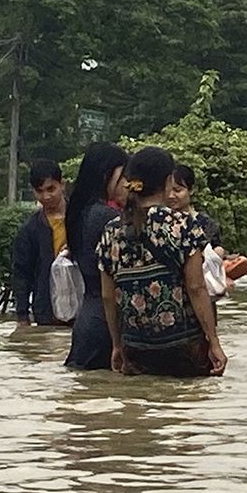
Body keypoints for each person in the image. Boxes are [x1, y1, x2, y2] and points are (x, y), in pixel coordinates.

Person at [98, 146, 227, 377]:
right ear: (168, 181)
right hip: (184, 347)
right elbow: (196, 287)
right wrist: (214, 342)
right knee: (184, 400)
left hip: (135, 348)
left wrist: (117, 345)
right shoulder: (183, 225)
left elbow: (108, 296)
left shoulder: (111, 231)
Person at [64, 143, 128, 370]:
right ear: (105, 176)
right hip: (105, 322)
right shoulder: (106, 217)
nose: (127, 184)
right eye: (122, 176)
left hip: (88, 319)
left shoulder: (82, 211)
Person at [168, 164, 247, 287]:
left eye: (177, 190)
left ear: (191, 190)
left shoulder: (206, 224)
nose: (171, 196)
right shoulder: (158, 222)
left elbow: (216, 254)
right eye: (167, 190)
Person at [11, 160, 69, 326]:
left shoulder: (82, 219)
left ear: (62, 185)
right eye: (39, 191)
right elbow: (22, 274)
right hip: (46, 311)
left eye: (51, 189)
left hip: (81, 308)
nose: (46, 197)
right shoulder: (30, 229)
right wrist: (22, 316)